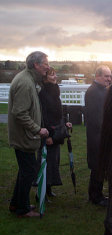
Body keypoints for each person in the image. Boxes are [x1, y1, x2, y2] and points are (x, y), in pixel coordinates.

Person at [8, 51, 49, 217]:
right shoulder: (25, 83)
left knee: (25, 170)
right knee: (29, 171)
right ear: (36, 65)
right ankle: (22, 209)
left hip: (24, 135)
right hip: (24, 136)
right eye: (45, 63)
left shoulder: (29, 80)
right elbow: (19, 113)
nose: (48, 67)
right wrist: (37, 129)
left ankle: (16, 203)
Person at [37, 67, 72, 197]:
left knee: (53, 162)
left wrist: (64, 123)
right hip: (48, 133)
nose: (55, 77)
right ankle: (41, 192)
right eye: (52, 75)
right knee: (45, 162)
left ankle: (49, 188)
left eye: (55, 74)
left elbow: (58, 112)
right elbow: (44, 116)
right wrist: (48, 136)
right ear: (45, 78)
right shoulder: (43, 93)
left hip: (56, 131)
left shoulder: (55, 91)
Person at [85, 65, 112, 206]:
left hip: (100, 135)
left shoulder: (101, 90)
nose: (109, 79)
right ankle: (96, 196)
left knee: (100, 166)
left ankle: (96, 194)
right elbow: (97, 118)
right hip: (97, 136)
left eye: (110, 76)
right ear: (98, 76)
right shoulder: (94, 92)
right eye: (106, 76)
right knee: (97, 166)